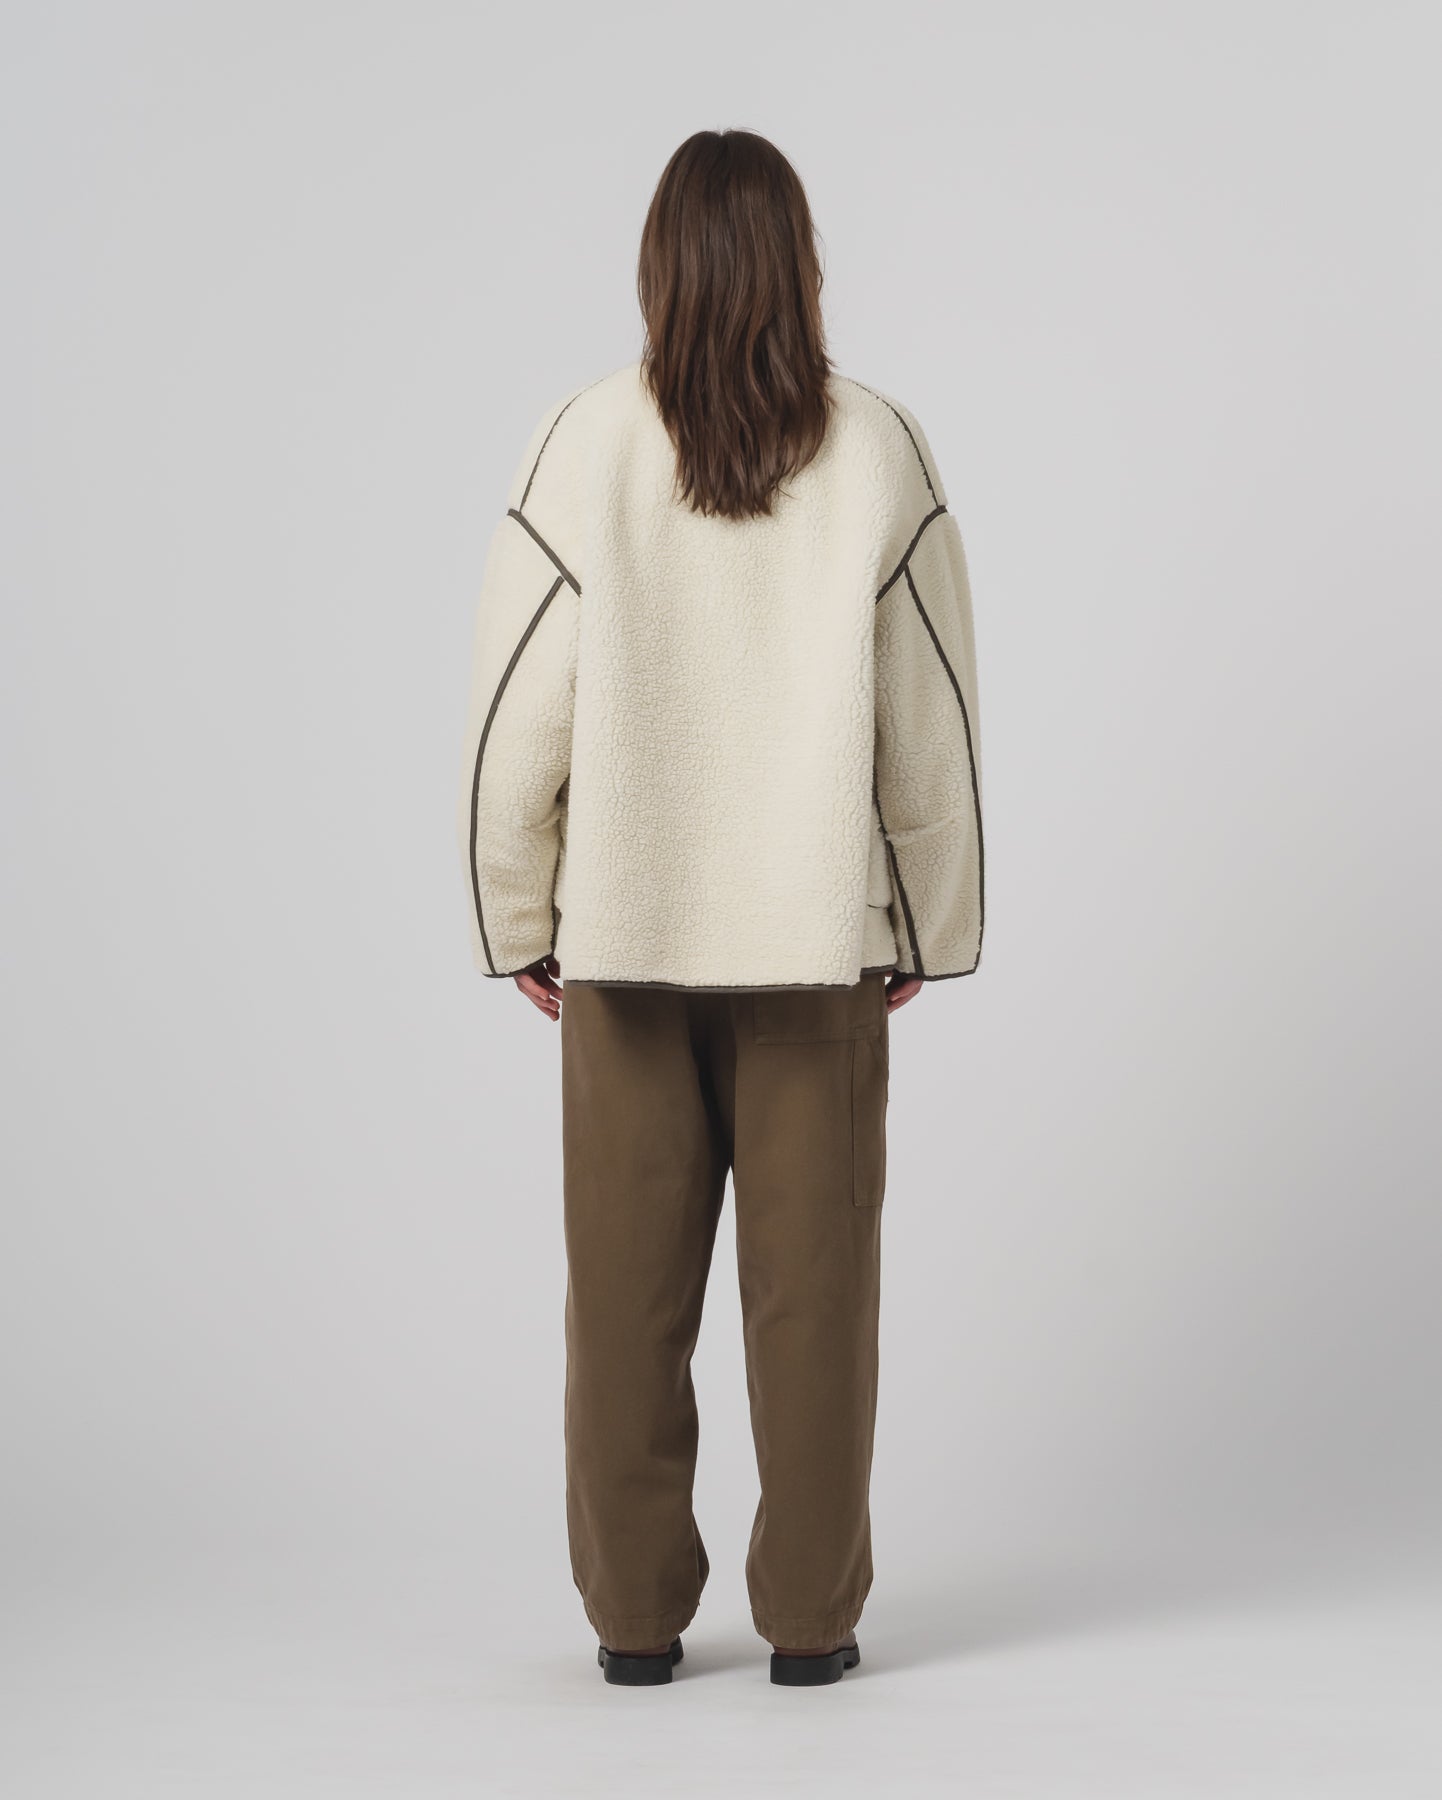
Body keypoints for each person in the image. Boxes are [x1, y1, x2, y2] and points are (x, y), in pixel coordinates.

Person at [458, 129, 983, 1688]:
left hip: (621, 945)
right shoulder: (878, 447)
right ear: (799, 266)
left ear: (659, 267)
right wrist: (922, 920)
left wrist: (518, 913)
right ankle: (810, 1628)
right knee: (814, 1300)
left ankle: (632, 1627)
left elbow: (513, 715)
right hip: (814, 947)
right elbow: (929, 714)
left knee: (622, 1305)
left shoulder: (581, 443)